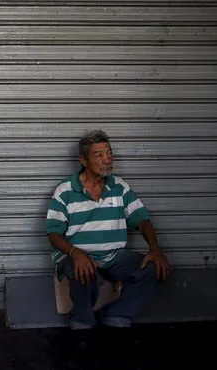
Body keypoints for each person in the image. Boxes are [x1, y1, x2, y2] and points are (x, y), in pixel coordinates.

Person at [46, 129, 169, 332]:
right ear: (83, 160)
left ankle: (116, 313)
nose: (107, 159)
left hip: (114, 257)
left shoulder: (119, 186)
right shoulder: (65, 191)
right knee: (82, 270)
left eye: (109, 153)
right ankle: (82, 320)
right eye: (99, 155)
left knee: (154, 267)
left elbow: (142, 220)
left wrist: (155, 249)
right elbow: (53, 233)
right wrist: (76, 253)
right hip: (77, 256)